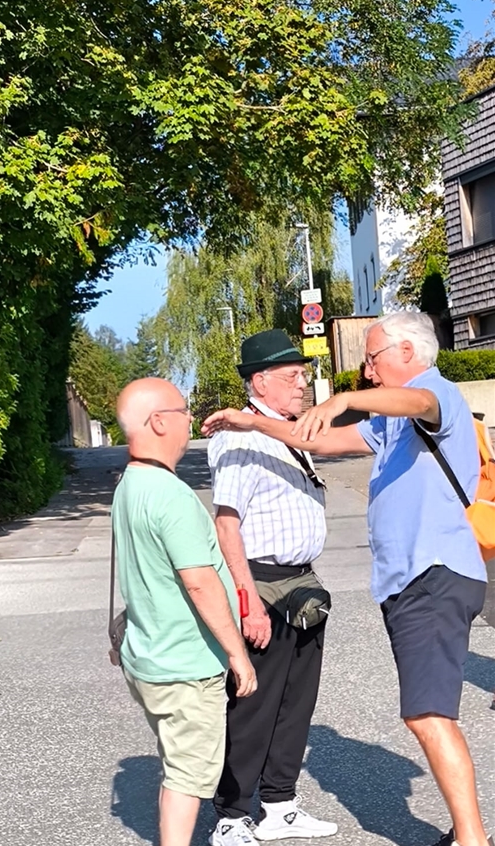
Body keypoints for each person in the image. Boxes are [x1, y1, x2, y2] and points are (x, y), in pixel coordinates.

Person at [202, 313, 491, 846]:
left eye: (373, 358)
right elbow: (320, 442)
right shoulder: (390, 421)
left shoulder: (435, 393)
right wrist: (254, 424)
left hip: (432, 574)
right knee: (420, 712)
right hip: (410, 581)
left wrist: (344, 399)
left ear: (408, 353)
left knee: (427, 713)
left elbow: (416, 402)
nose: (368, 369)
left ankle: (472, 839)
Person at [207, 329, 339, 846]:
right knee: (254, 704)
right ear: (260, 381)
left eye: (303, 374)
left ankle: (279, 806)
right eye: (291, 376)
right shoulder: (240, 438)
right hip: (261, 582)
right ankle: (232, 816)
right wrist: (247, 603)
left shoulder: (286, 431)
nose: (302, 384)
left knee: (296, 702)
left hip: (301, 580)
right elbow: (226, 525)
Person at [112, 378, 257, 846]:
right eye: (183, 411)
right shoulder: (171, 495)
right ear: (158, 422)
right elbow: (199, 582)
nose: (190, 419)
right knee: (187, 776)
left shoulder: (129, 483)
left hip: (149, 655)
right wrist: (237, 654)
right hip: (185, 665)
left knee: (177, 762)